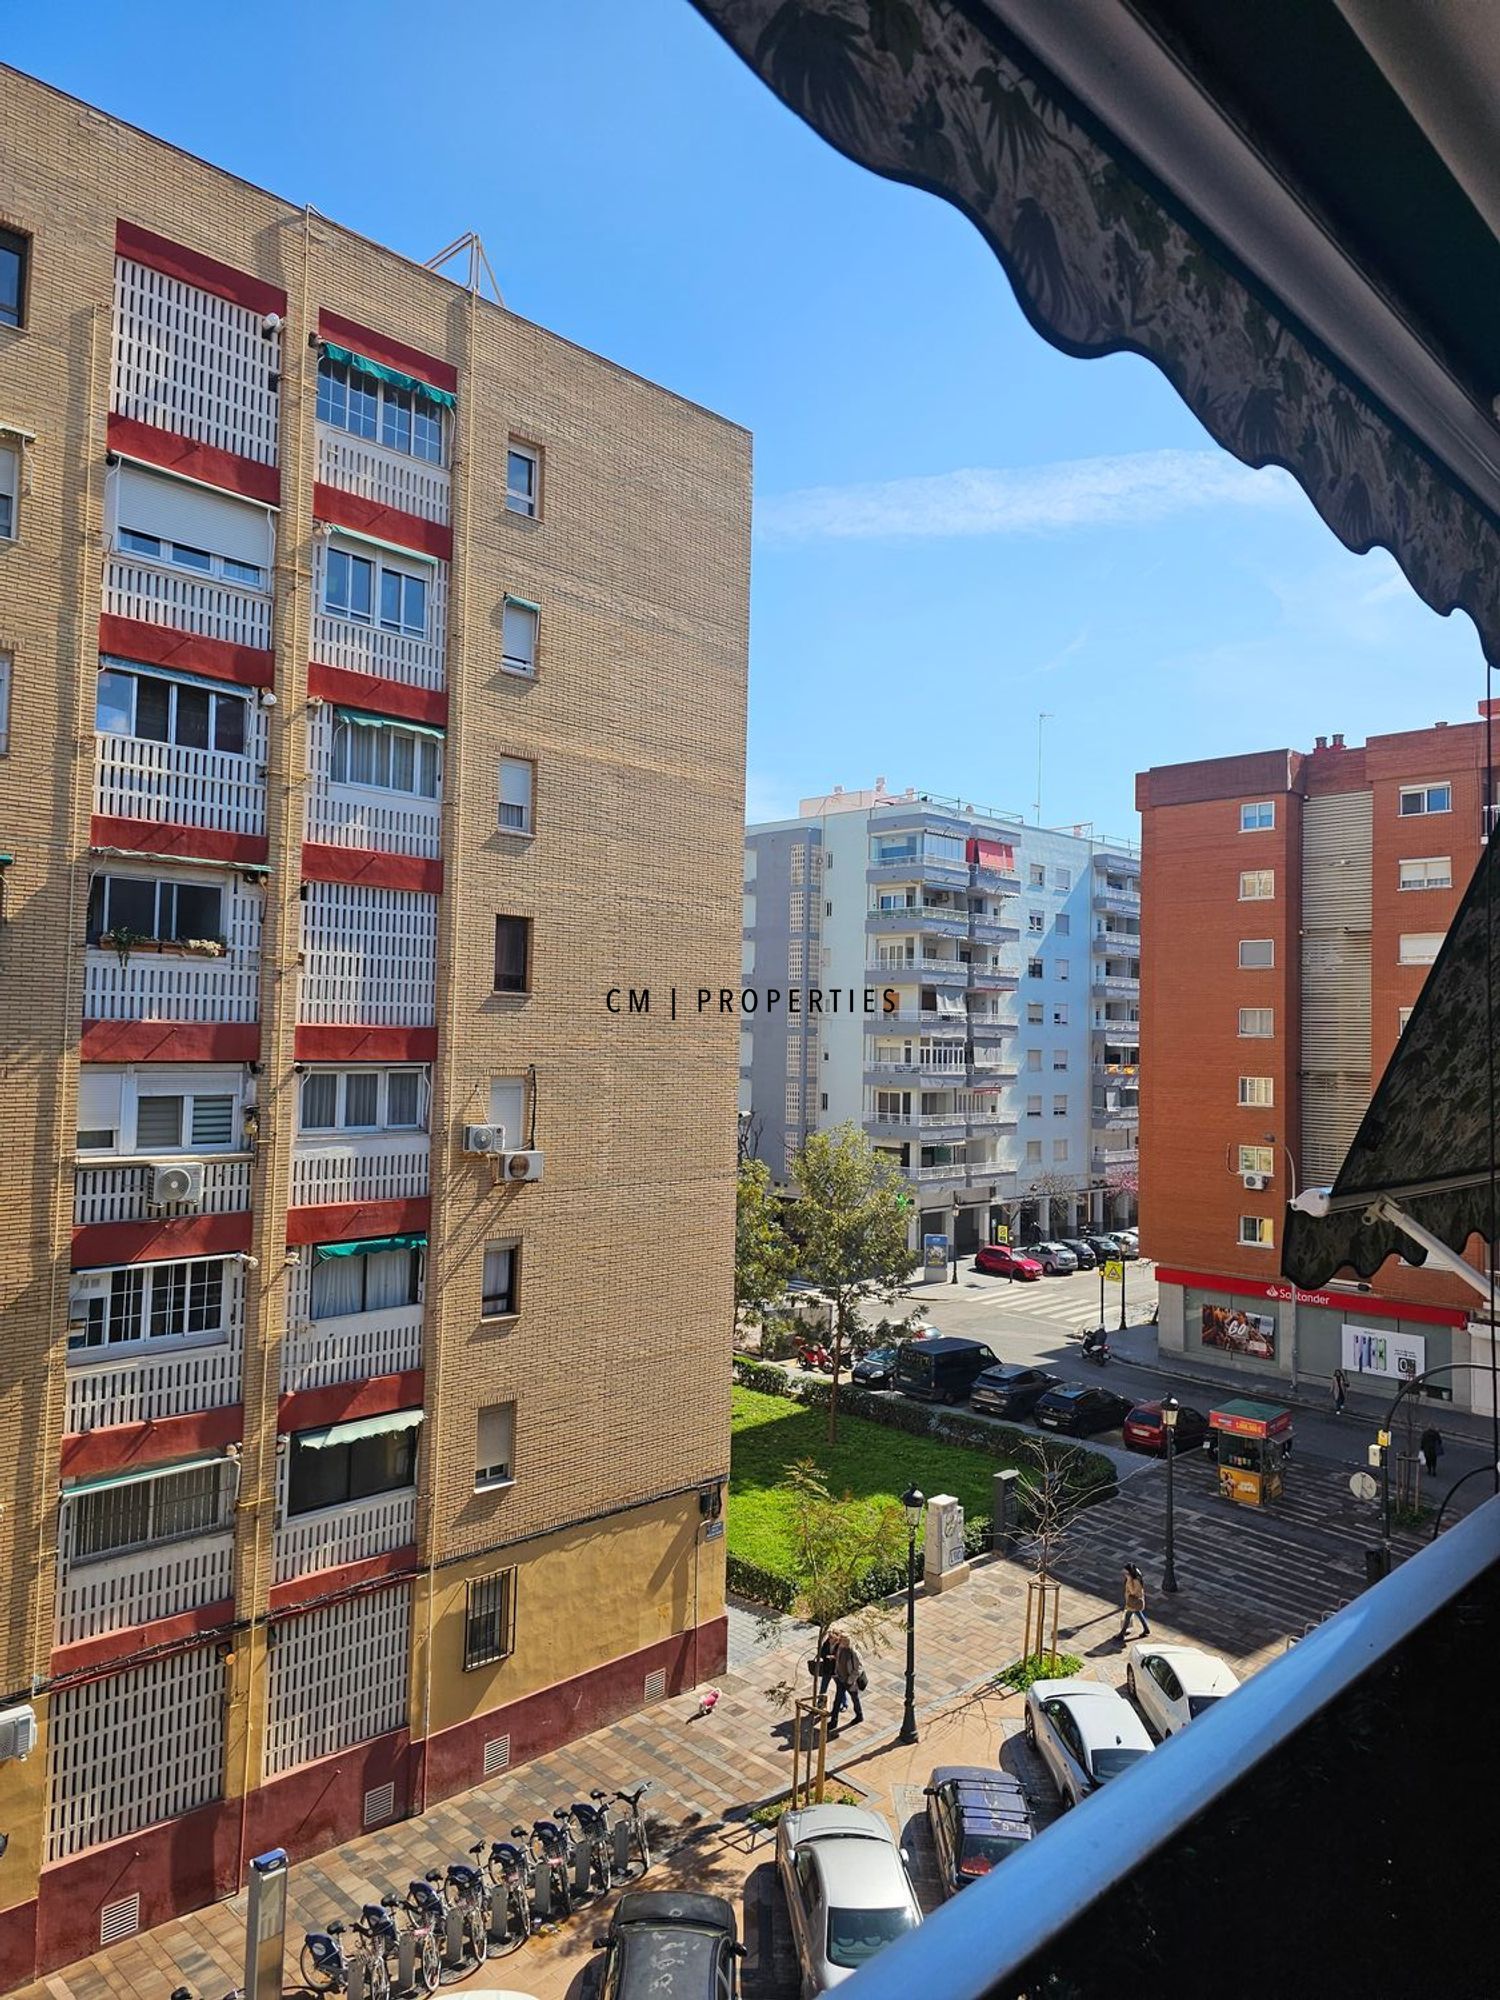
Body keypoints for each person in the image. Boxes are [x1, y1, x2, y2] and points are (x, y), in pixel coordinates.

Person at [829, 1631, 865, 1734]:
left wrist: (850, 1680)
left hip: (850, 1682)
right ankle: (833, 1722)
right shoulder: (840, 1648)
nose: (840, 1641)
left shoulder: (854, 1653)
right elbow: (838, 1659)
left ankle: (859, 1715)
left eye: (842, 1640)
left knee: (855, 1699)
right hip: (841, 1679)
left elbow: (859, 1668)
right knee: (837, 1701)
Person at [1119, 1562, 1150, 1640]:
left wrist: (1129, 1580)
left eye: (1126, 1572)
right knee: (1139, 1614)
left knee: (1127, 1616)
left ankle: (1121, 1634)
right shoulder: (1134, 1576)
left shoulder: (1135, 1580)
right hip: (1134, 1601)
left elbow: (1133, 1591)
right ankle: (1146, 1629)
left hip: (1133, 1601)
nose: (1125, 1574)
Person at [810, 1629, 838, 1706]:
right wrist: (827, 1656)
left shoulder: (839, 1645)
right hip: (827, 1669)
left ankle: (844, 1703)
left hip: (836, 1670)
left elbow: (841, 1656)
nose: (829, 1639)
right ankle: (820, 1702)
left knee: (840, 1688)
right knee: (823, 1687)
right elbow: (822, 1653)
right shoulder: (827, 1643)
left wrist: (834, 1657)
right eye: (829, 1637)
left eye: (831, 1638)